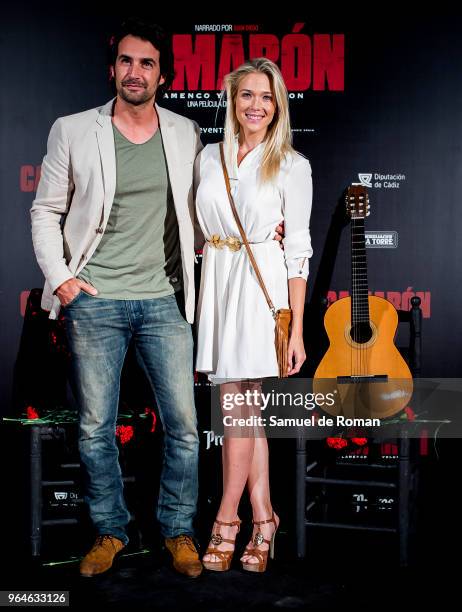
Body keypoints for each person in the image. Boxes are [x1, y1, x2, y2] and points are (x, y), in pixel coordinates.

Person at [30, 18, 204, 578]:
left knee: (181, 424)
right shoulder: (74, 129)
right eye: (126, 61)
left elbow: (198, 217)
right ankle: (110, 531)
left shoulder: (184, 133)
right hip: (96, 300)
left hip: (163, 299)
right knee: (93, 427)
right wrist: (61, 278)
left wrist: (258, 234)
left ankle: (177, 531)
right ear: (113, 70)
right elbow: (45, 211)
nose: (135, 72)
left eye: (147, 63)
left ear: (163, 75)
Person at [194, 58, 313, 572]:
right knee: (247, 413)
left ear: (278, 105)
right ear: (232, 100)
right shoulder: (207, 157)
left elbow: (299, 250)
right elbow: (197, 228)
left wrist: (298, 330)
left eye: (266, 97)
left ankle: (226, 520)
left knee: (237, 410)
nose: (256, 106)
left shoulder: (292, 164)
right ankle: (264, 519)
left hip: (262, 283)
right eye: (247, 95)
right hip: (218, 279)